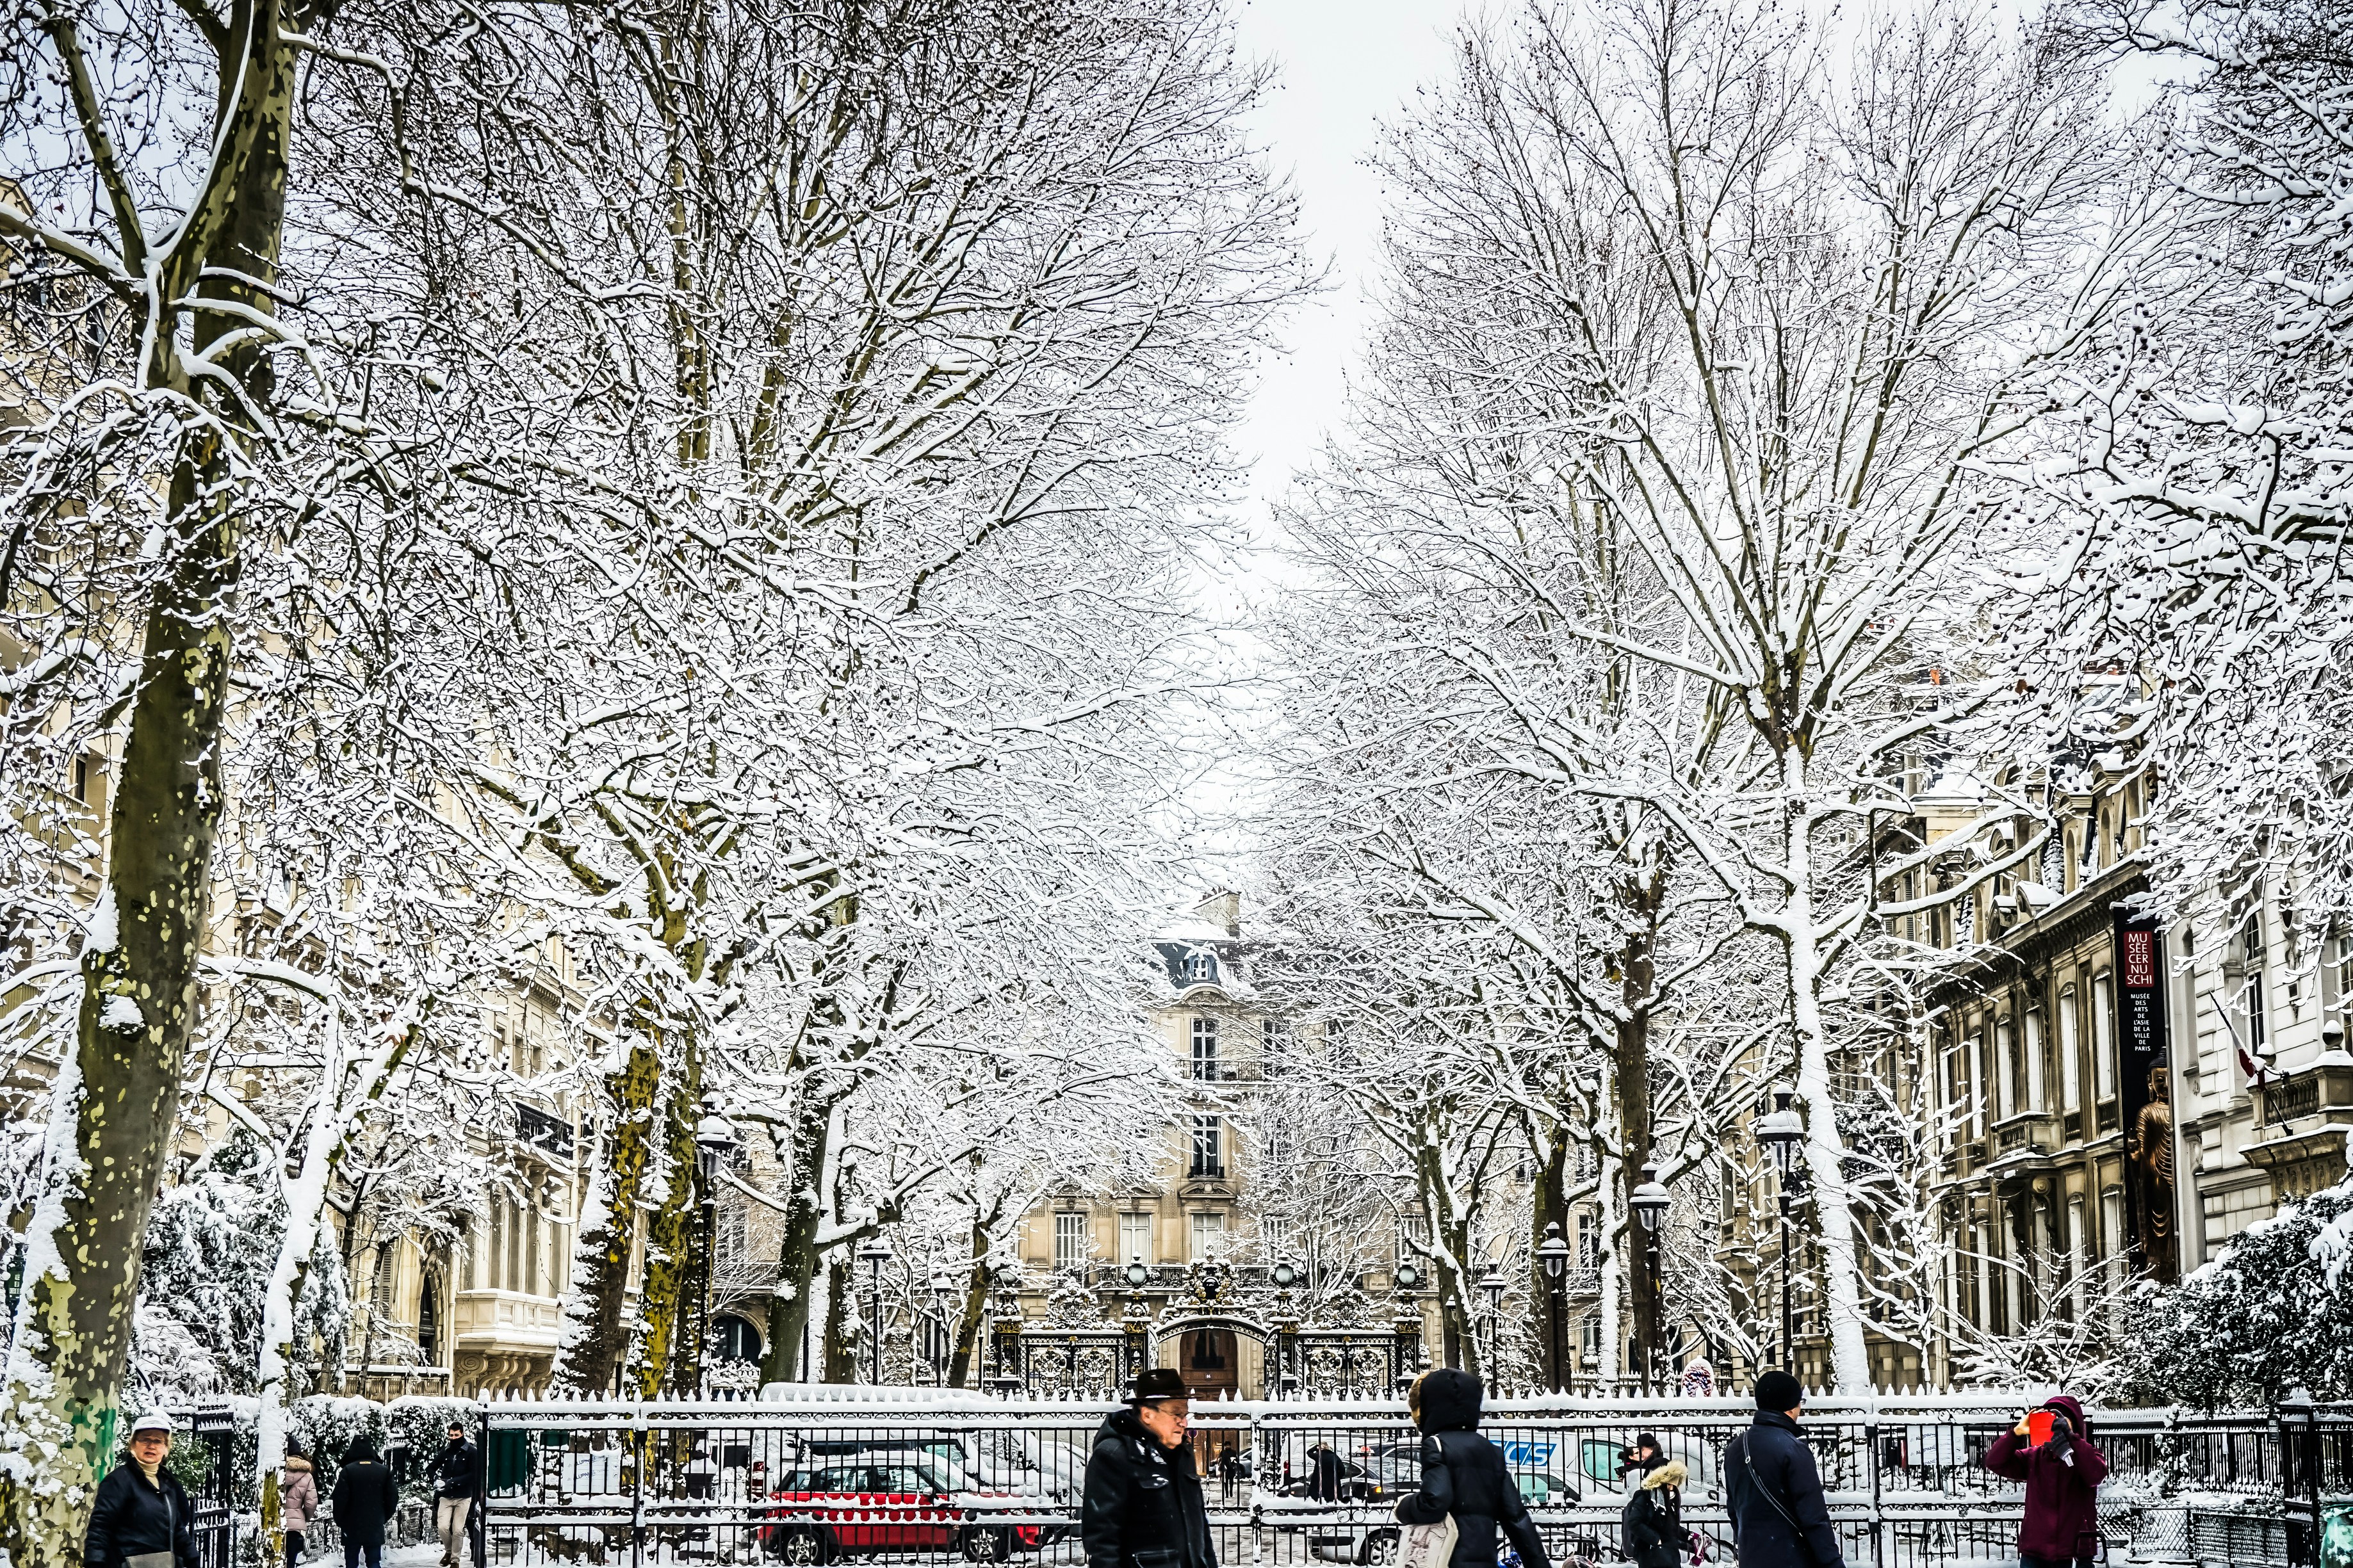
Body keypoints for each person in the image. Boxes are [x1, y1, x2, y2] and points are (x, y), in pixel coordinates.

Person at [1391, 1368, 1552, 1568]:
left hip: (1447, 1559)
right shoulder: (1490, 1451)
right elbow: (1517, 1518)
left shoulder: (1437, 1445)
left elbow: (1435, 1501)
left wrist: (1405, 1507)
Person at [1081, 1367, 1216, 1568]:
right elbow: (1102, 1539)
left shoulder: (1182, 1454)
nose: (1184, 1422)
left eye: (1185, 1414)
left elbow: (1200, 1529)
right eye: (1176, 1414)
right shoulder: (1115, 1455)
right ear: (1147, 1415)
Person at [1724, 1371, 1845, 1568]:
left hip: (1752, 1558)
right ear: (1791, 1406)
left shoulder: (1736, 1448)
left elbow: (1734, 1511)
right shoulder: (1793, 1449)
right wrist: (1832, 1562)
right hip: (1791, 1558)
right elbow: (1814, 1517)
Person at [1980, 1396, 2110, 1568]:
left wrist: (2071, 1439)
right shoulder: (2034, 1457)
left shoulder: (2086, 1454)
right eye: (2050, 1418)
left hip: (2076, 1550)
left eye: (2061, 1420)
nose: (2055, 1424)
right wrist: (2016, 1432)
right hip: (2036, 1552)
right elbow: (1994, 1462)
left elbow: (2095, 1475)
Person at [83, 1413, 200, 1568]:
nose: (151, 1446)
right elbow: (100, 1527)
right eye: (145, 1439)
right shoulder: (119, 1481)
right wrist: (95, 1563)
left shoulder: (167, 1482)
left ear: (166, 1448)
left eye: (158, 1441)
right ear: (132, 1444)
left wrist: (192, 1557)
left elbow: (177, 1527)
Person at [330, 1437, 401, 1568]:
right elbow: (393, 1497)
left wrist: (340, 1520)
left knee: (351, 1563)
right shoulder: (383, 1471)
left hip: (351, 1525)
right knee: (374, 1562)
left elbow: (340, 1499)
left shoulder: (348, 1471)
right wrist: (383, 1517)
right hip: (375, 1524)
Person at [1618, 1434, 1687, 1568]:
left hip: (1666, 1556)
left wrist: (1689, 1536)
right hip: (1654, 1556)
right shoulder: (1646, 1496)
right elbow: (1636, 1522)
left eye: (1641, 1450)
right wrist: (1656, 1540)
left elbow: (1670, 1526)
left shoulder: (1669, 1497)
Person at [434, 1421, 483, 1568]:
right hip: (446, 1496)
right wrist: (436, 1480)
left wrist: (452, 1482)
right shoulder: (446, 1451)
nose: (453, 1438)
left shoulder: (471, 1452)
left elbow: (473, 1474)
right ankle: (449, 1552)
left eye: (456, 1435)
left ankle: (455, 1560)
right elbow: (432, 1467)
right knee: (442, 1527)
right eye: (451, 1435)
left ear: (462, 1434)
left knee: (457, 1530)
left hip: (464, 1496)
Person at [282, 1444, 319, 1568]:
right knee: (291, 1559)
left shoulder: (272, 1470)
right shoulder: (306, 1475)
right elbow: (311, 1502)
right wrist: (303, 1517)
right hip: (294, 1528)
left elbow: (258, 1499)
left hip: (273, 1523)